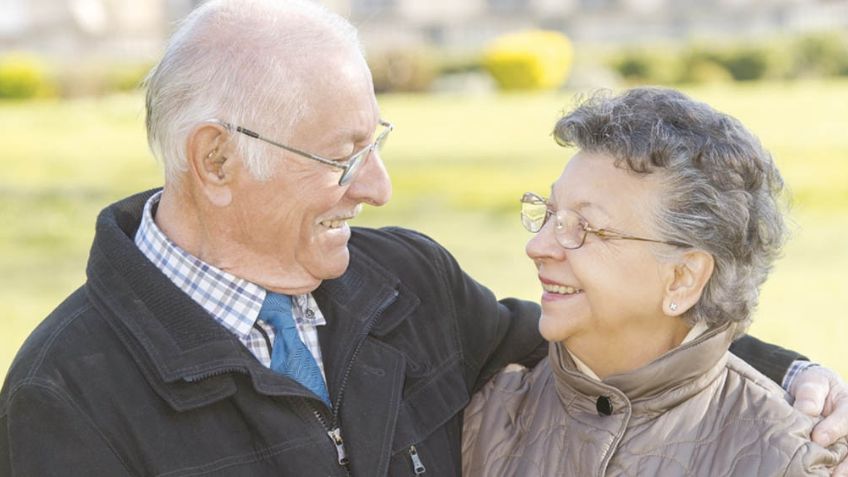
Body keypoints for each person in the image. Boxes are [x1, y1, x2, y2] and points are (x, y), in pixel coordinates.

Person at [0, 1, 844, 475]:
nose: (378, 187)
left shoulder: (405, 280)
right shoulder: (66, 397)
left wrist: (789, 378)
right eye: (342, 157)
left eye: (377, 142)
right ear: (215, 159)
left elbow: (610, 337)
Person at [462, 87, 848, 476]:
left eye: (585, 228)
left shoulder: (788, 458)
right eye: (550, 213)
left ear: (683, 278)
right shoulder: (487, 417)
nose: (538, 246)